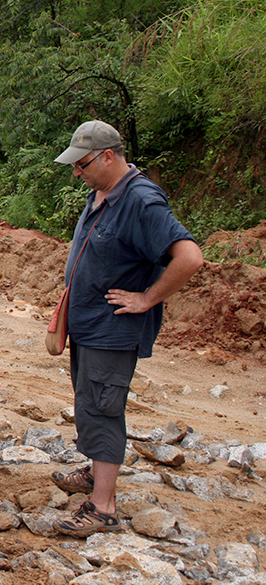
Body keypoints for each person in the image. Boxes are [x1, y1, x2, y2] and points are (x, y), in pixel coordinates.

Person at [50, 120, 203, 537]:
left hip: (112, 330)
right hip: (89, 325)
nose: (75, 174)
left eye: (81, 165)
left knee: (102, 406)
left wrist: (147, 298)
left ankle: (103, 505)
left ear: (108, 156)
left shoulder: (142, 201)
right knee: (90, 401)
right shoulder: (102, 191)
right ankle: (99, 470)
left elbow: (189, 257)